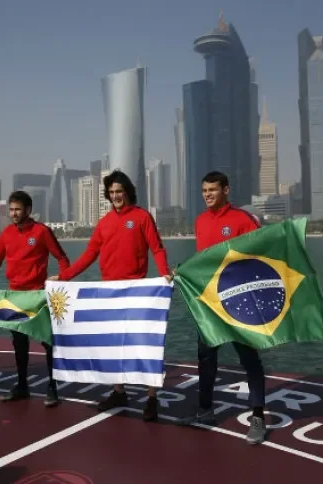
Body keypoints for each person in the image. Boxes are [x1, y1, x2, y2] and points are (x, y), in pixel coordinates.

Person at [48, 170, 171, 422]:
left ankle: (151, 398)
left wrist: (164, 274)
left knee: (144, 345)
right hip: (110, 293)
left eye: (119, 191)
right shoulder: (104, 223)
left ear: (127, 191)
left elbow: (157, 248)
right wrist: (64, 278)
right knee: (114, 345)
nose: (115, 196)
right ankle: (119, 391)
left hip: (138, 293)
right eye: (112, 192)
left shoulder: (141, 217)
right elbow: (88, 255)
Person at [176, 171, 268, 444]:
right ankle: (205, 410)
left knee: (249, 359)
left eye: (212, 190)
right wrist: (182, 272)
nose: (207, 195)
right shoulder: (200, 221)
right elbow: (203, 260)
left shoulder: (242, 219)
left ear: (225, 190)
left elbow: (259, 254)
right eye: (204, 190)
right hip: (209, 302)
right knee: (206, 359)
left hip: (239, 301)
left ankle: (258, 416)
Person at [0, 190, 70, 407]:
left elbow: (62, 258)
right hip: (14, 296)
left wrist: (62, 279)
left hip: (38, 297)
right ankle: (22, 385)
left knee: (47, 342)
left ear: (28, 209)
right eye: (11, 210)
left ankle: (52, 387)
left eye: (17, 209)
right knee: (19, 344)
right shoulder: (7, 234)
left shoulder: (42, 231)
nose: (14, 213)